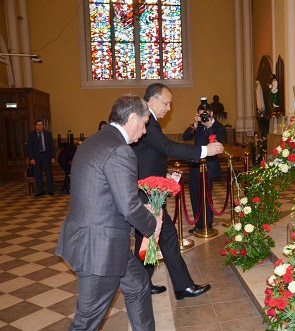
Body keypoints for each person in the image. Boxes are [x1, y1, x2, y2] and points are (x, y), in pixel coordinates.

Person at [56, 94, 162, 330]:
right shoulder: (119, 150)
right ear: (132, 118)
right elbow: (128, 206)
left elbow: (103, 191)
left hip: (101, 240)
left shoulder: (96, 140)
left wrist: (136, 205)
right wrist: (153, 224)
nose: (144, 131)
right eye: (144, 123)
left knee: (139, 285)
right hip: (99, 250)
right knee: (86, 322)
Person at [132, 83, 224, 300]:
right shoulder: (147, 121)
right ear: (152, 99)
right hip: (147, 192)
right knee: (162, 236)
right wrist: (204, 150)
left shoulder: (149, 120)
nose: (168, 108)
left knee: (151, 237)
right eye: (165, 103)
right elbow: (167, 147)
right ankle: (180, 286)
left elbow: (152, 155)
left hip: (151, 188)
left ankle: (146, 283)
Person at [183, 103, 226, 233]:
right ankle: (198, 224)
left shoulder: (219, 127)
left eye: (205, 114)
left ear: (211, 114)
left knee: (206, 195)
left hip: (209, 167)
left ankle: (208, 224)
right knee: (195, 195)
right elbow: (185, 137)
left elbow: (217, 142)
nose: (203, 117)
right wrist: (195, 124)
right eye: (201, 115)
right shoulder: (198, 126)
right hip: (196, 165)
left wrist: (209, 127)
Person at [27, 119, 56, 196]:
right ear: (35, 126)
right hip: (36, 156)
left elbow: (52, 146)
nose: (40, 126)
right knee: (37, 174)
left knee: (48, 173)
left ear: (43, 126)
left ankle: (50, 190)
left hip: (46, 155)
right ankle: (40, 191)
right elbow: (29, 147)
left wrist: (53, 157)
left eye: (41, 125)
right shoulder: (31, 135)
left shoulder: (48, 134)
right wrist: (31, 158)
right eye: (38, 125)